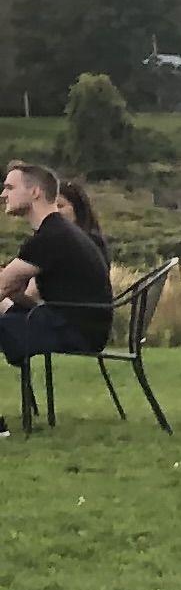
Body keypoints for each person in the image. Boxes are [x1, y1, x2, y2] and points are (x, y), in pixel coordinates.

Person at [0, 160, 115, 432]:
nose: (3, 194)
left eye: (9, 187)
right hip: (73, 324)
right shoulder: (59, 232)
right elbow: (16, 289)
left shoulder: (52, 236)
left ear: (35, 192)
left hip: (74, 330)